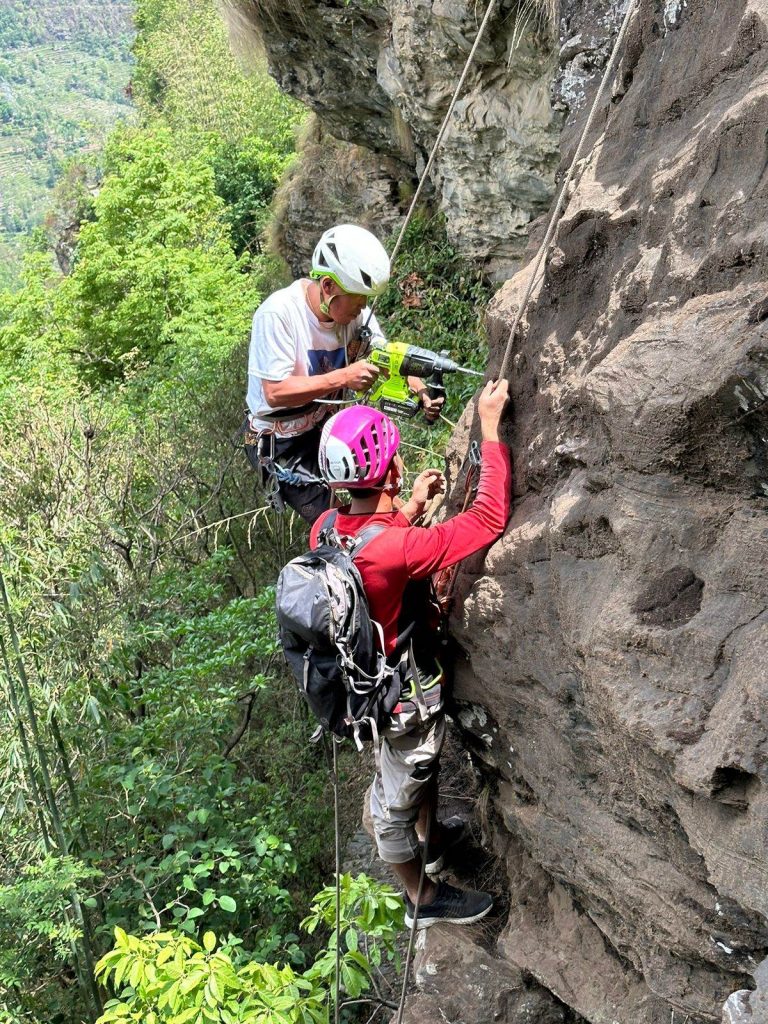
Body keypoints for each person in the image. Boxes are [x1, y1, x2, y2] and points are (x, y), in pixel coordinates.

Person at [310, 378, 511, 928]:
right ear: (389, 472)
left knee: (414, 775)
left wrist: (412, 507)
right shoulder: (397, 547)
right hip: (401, 700)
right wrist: (490, 428)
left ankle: (434, 839)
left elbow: (371, 549)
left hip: (365, 688)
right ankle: (422, 900)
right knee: (391, 810)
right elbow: (488, 518)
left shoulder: (324, 529)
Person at [244, 223, 443, 523]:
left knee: (378, 486)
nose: (362, 308)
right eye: (358, 299)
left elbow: (385, 355)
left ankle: (406, 524)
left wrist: (420, 389)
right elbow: (275, 393)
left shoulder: (354, 315)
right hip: (282, 442)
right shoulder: (279, 315)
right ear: (328, 287)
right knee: (334, 521)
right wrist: (344, 377)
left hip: (325, 425)